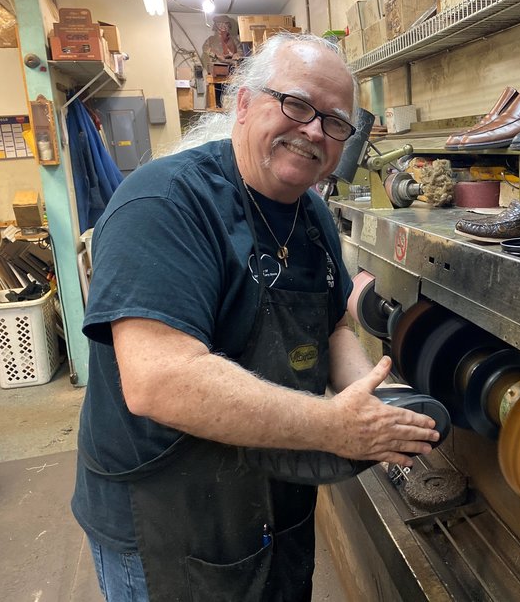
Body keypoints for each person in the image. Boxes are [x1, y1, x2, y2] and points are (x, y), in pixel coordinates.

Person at [72, 32, 440, 602]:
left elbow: (333, 323)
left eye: (336, 123)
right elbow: (160, 381)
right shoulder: (165, 204)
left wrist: (373, 394)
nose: (315, 130)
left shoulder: (311, 212)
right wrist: (334, 426)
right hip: (172, 518)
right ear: (242, 104)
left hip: (273, 499)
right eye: (296, 105)